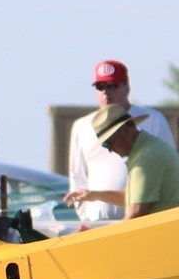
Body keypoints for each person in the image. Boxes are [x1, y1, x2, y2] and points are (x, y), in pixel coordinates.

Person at [65, 59, 173, 223]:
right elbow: (77, 176)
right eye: (100, 87)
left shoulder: (153, 119)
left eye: (112, 85)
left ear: (126, 87)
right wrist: (88, 218)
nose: (105, 92)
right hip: (97, 224)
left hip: (143, 222)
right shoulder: (82, 127)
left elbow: (168, 169)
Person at [92, 104, 179, 218]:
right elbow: (135, 197)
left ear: (126, 130)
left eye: (109, 142)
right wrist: (94, 195)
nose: (110, 150)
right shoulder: (150, 148)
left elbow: (136, 213)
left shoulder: (145, 157)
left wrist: (106, 235)